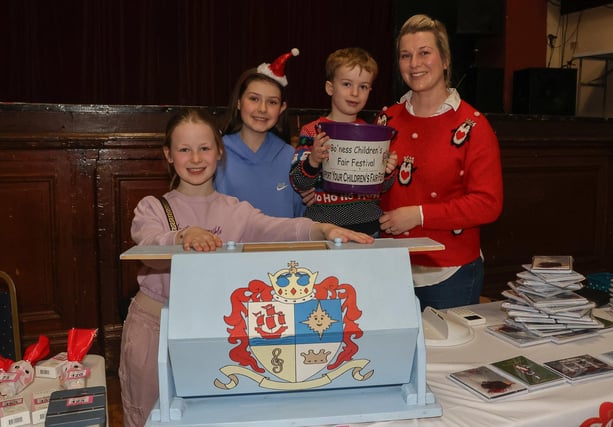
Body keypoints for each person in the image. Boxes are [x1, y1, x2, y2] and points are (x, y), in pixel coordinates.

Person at [119, 108, 373, 427]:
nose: (195, 158)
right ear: (168, 155)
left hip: (208, 331)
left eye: (204, 148)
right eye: (184, 149)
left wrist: (322, 230)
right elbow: (149, 247)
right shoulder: (152, 207)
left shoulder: (237, 211)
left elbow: (279, 229)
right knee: (148, 415)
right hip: (154, 327)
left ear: (219, 152)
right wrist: (183, 235)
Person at [376, 14, 503, 311]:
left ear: (445, 60)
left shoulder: (473, 126)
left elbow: (488, 203)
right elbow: (372, 192)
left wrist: (418, 215)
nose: (414, 63)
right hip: (391, 269)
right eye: (405, 56)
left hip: (450, 275)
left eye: (424, 53)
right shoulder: (386, 120)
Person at [289, 47, 398, 235]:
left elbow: (384, 186)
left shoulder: (373, 134)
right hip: (323, 226)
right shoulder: (313, 131)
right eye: (347, 84)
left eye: (363, 86)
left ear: (370, 90)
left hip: (369, 224)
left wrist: (387, 171)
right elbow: (298, 181)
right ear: (330, 88)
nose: (355, 93)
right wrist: (313, 160)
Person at [215, 48, 306, 218]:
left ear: (282, 108)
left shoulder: (291, 158)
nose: (262, 109)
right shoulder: (216, 153)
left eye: (272, 102)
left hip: (281, 245)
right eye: (254, 99)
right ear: (239, 102)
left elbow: (303, 220)